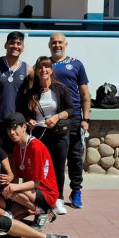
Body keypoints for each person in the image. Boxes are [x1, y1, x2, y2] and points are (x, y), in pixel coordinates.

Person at [0, 112, 59, 232]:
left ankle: (42, 210)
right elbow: (19, 177)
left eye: (15, 128)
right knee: (10, 216)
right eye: (9, 129)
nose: (12, 132)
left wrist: (13, 188)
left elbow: (36, 183)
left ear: (24, 127)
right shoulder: (17, 148)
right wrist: (7, 182)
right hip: (31, 192)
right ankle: (38, 211)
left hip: (46, 192)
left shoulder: (35, 146)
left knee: (11, 189)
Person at [21, 56, 74, 215]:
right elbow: (27, 112)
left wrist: (57, 117)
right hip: (39, 134)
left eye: (46, 67)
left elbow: (71, 110)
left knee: (58, 168)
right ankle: (43, 198)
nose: (43, 70)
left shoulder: (61, 88)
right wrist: (29, 120)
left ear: (51, 70)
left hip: (58, 134)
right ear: (36, 71)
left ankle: (58, 198)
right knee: (40, 168)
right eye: (40, 68)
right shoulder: (32, 91)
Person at [49, 32, 91, 210]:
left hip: (73, 117)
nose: (57, 45)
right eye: (54, 43)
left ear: (66, 44)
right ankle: (55, 194)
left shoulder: (76, 64)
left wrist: (86, 118)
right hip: (51, 117)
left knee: (74, 156)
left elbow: (85, 94)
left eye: (60, 42)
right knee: (55, 158)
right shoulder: (44, 64)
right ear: (49, 45)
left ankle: (76, 191)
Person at [0, 31, 33, 153]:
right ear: (5, 45)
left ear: (23, 48)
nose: (15, 46)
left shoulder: (28, 70)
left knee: (16, 155)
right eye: (11, 43)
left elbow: (31, 95)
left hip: (18, 121)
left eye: (19, 43)